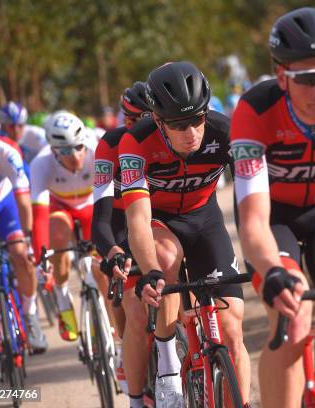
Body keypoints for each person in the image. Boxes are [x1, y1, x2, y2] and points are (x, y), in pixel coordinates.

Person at [230, 7, 315, 408]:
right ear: (281, 76)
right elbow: (253, 219)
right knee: (293, 320)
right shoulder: (255, 111)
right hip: (279, 219)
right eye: (307, 79)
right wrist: (272, 270)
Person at [119, 61, 251, 407]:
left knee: (232, 330)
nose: (192, 131)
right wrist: (150, 272)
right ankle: (166, 363)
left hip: (205, 219)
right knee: (163, 259)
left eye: (197, 119)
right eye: (179, 124)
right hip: (161, 222)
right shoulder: (136, 142)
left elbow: (252, 198)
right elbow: (137, 219)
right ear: (158, 121)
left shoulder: (226, 131)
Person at [92, 81, 165, 407]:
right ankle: (134, 383)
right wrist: (113, 250)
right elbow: (102, 220)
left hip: (163, 222)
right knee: (136, 313)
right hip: (123, 225)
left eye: (148, 118)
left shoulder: (170, 136)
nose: (141, 128)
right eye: (132, 120)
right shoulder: (108, 146)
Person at [0, 112, 47, 383]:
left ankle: (30, 314)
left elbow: (25, 203)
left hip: (5, 206)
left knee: (18, 252)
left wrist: (26, 242)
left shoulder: (8, 152)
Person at [30, 111, 113, 342]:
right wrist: (41, 259)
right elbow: (38, 218)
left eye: (78, 147)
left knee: (101, 267)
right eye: (65, 151)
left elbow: (114, 200)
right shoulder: (41, 163)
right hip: (61, 206)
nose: (75, 156)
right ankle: (63, 298)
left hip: (91, 204)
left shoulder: (97, 151)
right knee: (57, 233)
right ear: (54, 150)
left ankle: (111, 327)